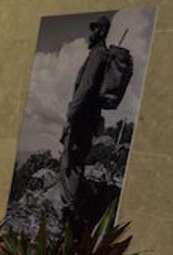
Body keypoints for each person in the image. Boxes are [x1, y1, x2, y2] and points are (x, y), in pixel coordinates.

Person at [60, 15, 111, 220]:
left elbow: (86, 86)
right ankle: (71, 208)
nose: (90, 34)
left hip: (81, 119)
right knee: (75, 162)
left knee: (70, 164)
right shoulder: (102, 55)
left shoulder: (98, 54)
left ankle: (68, 212)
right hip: (88, 120)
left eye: (93, 30)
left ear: (100, 32)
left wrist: (71, 113)